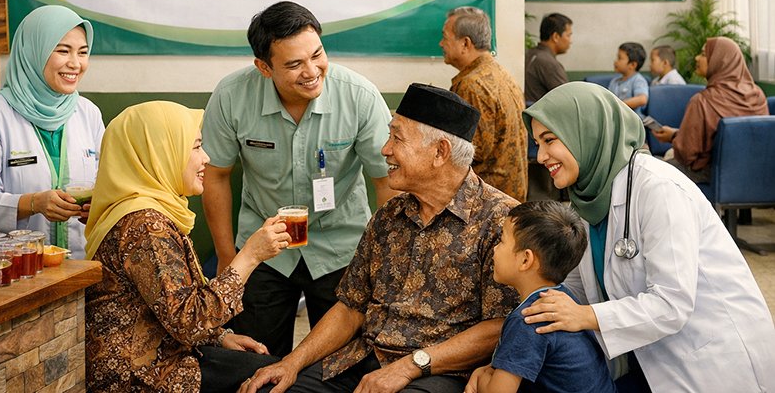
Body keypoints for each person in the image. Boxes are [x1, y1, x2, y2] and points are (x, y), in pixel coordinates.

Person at [241, 83, 520, 393]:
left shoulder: (503, 221)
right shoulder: (389, 215)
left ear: (440, 152)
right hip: (361, 359)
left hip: (439, 372)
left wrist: (410, 366)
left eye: (397, 138)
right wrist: (291, 363)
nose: (385, 149)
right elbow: (351, 307)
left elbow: (500, 325)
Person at [522, 82, 775, 392]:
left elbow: (671, 303)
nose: (541, 156)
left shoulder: (659, 189)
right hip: (650, 357)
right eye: (537, 143)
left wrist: (585, 316)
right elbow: (575, 289)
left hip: (713, 359)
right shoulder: (587, 199)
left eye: (550, 140)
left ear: (586, 132)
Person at [201, 1, 397, 357]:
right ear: (264, 67)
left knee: (340, 364)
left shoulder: (359, 96)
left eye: (317, 55)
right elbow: (215, 175)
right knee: (257, 361)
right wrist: (229, 258)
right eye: (294, 64)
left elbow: (386, 181)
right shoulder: (231, 96)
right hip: (264, 249)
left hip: (343, 249)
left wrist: (383, 257)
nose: (311, 71)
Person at [84, 101, 293, 392]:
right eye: (195, 147)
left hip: (165, 354)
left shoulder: (145, 211)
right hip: (141, 376)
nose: (206, 158)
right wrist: (251, 255)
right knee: (273, 379)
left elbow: (167, 308)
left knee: (271, 368)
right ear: (160, 153)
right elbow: (188, 320)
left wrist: (219, 337)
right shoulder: (145, 225)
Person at [0, 5, 105, 259]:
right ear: (33, 52)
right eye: (63, 51)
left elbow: (106, 184)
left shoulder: (89, 113)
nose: (75, 63)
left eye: (83, 52)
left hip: (82, 266)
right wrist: (33, 203)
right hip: (19, 267)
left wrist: (98, 206)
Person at [465, 201, 615, 393]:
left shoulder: (529, 319)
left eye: (501, 241)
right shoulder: (562, 298)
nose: (494, 249)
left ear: (525, 259)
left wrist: (481, 375)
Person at [652, 37, 768, 183]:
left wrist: (676, 140)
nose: (696, 58)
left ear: (720, 60)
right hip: (755, 174)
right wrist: (675, 134)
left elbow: (686, 154)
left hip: (709, 176)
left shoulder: (702, 101)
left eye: (703, 54)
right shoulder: (758, 95)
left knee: (652, 170)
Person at [440, 7, 527, 202]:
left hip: (485, 204)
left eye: (445, 37)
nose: (441, 43)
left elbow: (468, 153)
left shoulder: (472, 86)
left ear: (465, 43)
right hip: (509, 198)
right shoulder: (502, 74)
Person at [524, 13, 572, 104]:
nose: (570, 41)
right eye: (568, 35)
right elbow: (568, 101)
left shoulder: (528, 54)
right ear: (556, 37)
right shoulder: (548, 63)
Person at [607, 42, 649, 115]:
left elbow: (642, 99)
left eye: (619, 58)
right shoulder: (614, 81)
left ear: (632, 65)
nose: (615, 61)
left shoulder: (638, 80)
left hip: (633, 119)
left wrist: (618, 106)